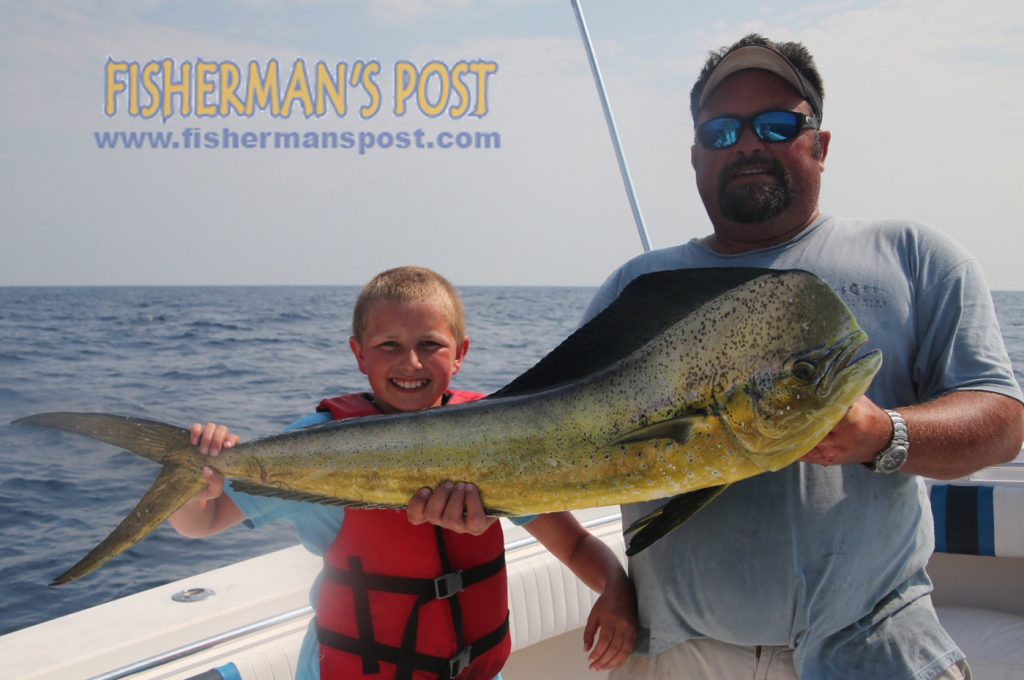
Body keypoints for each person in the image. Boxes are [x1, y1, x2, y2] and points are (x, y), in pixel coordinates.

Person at [585, 34, 1024, 680]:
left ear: (820, 144)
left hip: (874, 644)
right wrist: (605, 575)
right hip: (680, 652)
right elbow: (565, 440)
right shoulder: (638, 288)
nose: (747, 144)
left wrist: (884, 434)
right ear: (695, 157)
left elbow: (1004, 421)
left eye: (776, 124)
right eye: (721, 131)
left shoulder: (914, 257)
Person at [170, 266, 637, 680]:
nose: (410, 363)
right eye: (388, 345)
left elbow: (574, 543)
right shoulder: (316, 446)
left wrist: (615, 587)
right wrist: (198, 485)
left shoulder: (492, 437)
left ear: (460, 353)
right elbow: (202, 522)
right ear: (359, 355)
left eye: (429, 345)